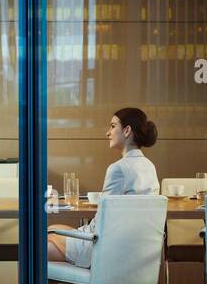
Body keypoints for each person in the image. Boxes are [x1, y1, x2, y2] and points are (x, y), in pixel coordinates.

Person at [47, 107, 159, 269]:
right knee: (52, 230)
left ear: (127, 130)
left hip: (104, 248)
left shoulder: (118, 168)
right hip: (134, 249)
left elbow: (102, 223)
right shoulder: (150, 167)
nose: (108, 132)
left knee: (40, 247)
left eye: (113, 126)